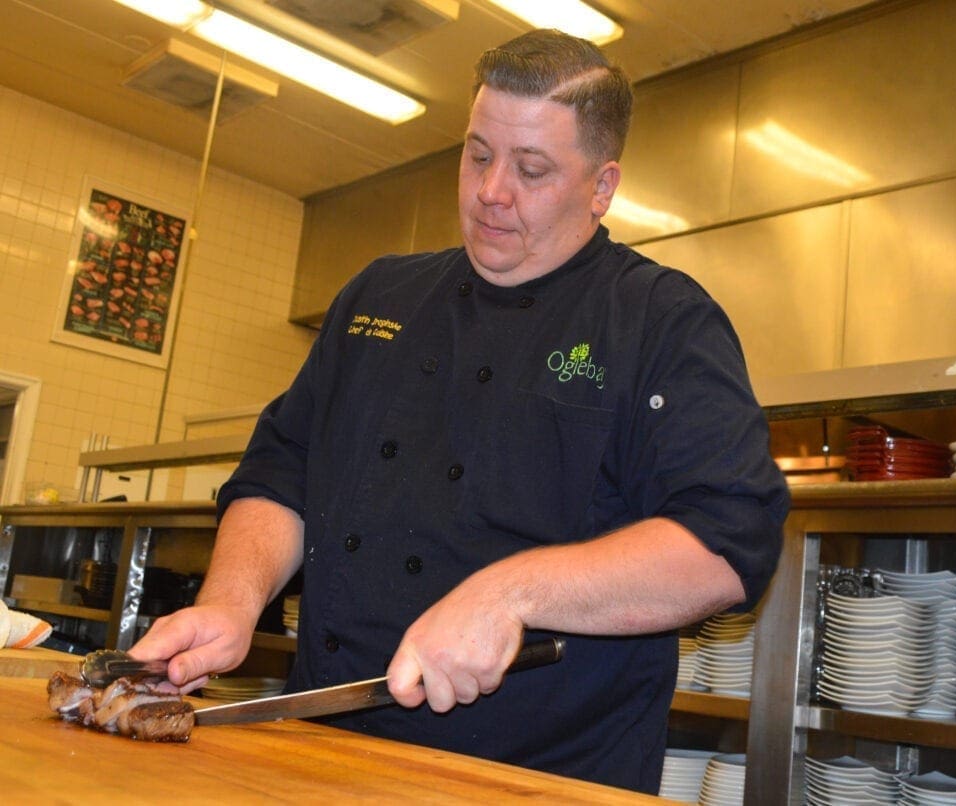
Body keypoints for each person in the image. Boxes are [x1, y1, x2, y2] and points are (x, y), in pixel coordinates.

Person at [131, 28, 789, 794]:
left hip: (542, 778)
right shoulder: (379, 296)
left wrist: (510, 592)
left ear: (602, 187)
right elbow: (282, 472)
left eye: (531, 168)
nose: (491, 191)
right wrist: (231, 601)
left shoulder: (659, 318)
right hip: (322, 754)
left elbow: (728, 540)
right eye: (478, 154)